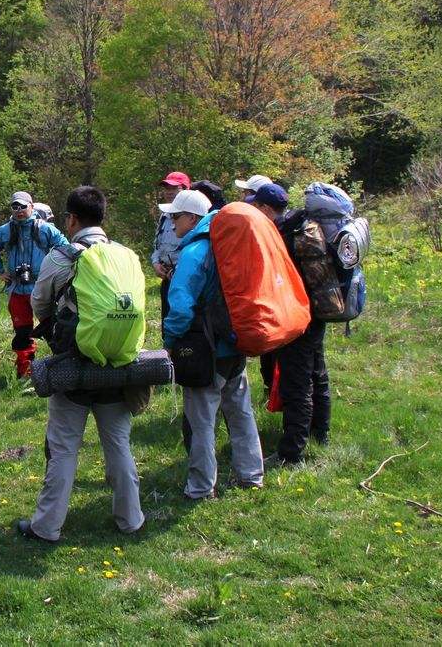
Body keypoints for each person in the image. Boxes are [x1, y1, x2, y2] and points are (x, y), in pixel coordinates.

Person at [16, 186, 145, 543]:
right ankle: (131, 519)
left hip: (74, 365)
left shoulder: (62, 257)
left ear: (71, 219)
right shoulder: (125, 255)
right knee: (118, 443)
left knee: (63, 447)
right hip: (119, 361)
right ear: (102, 217)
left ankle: (47, 527)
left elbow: (39, 303)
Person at [160, 189, 265, 500]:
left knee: (202, 420)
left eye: (175, 217)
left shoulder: (194, 253)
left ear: (192, 218)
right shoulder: (227, 245)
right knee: (240, 411)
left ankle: (201, 487)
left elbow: (180, 306)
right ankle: (251, 475)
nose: (171, 222)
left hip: (206, 349)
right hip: (236, 343)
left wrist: (170, 340)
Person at [251, 183, 330, 464]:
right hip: (318, 310)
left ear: (266, 209)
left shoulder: (281, 235)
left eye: (256, 206)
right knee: (316, 374)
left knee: (296, 384)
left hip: (295, 315)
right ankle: (321, 433)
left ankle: (291, 452)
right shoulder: (301, 225)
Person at [0, 191, 68, 378]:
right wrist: (0, 271)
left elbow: (65, 247)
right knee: (22, 331)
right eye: (15, 207)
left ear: (31, 206)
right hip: (17, 289)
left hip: (42, 288)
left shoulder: (45, 229)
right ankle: (26, 372)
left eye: (23, 206)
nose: (19, 210)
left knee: (52, 327)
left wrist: (56, 273)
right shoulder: (4, 231)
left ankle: (63, 364)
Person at [151, 172, 191, 339]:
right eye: (167, 188)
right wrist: (155, 263)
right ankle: (168, 361)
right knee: (167, 327)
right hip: (166, 280)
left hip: (183, 280)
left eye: (174, 188)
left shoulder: (191, 217)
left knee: (184, 329)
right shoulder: (164, 215)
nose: (169, 191)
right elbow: (157, 244)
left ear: (185, 189)